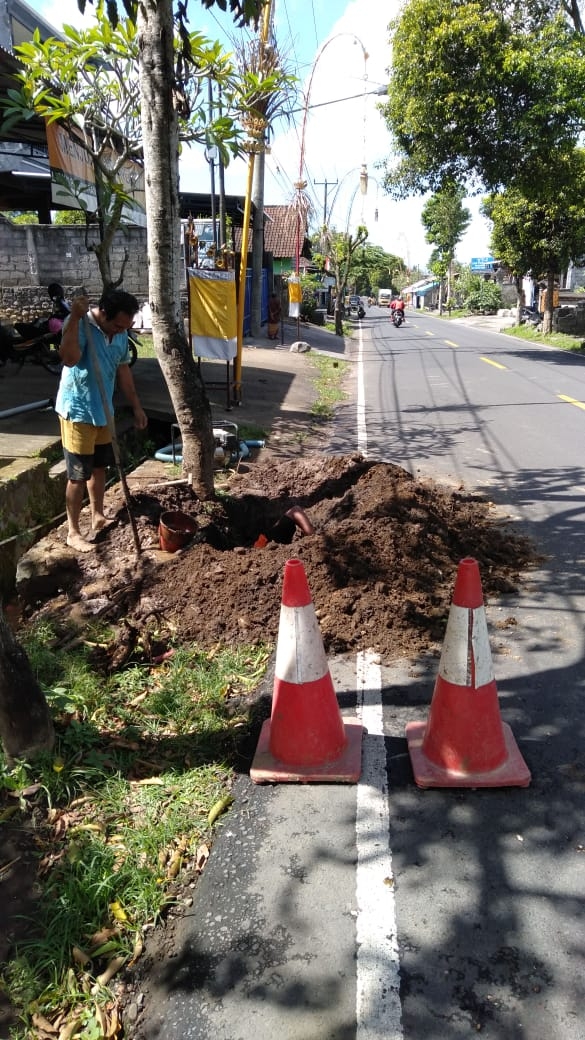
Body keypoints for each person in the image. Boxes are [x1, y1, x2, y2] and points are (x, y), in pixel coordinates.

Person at [55, 288, 148, 554]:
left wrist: (137, 407)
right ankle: (73, 532)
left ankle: (97, 514)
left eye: (126, 327)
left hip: (104, 411)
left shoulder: (119, 336)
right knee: (77, 476)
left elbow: (124, 373)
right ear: (103, 313)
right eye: (118, 325)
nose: (121, 331)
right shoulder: (80, 325)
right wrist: (73, 318)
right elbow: (69, 359)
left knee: (99, 467)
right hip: (78, 410)